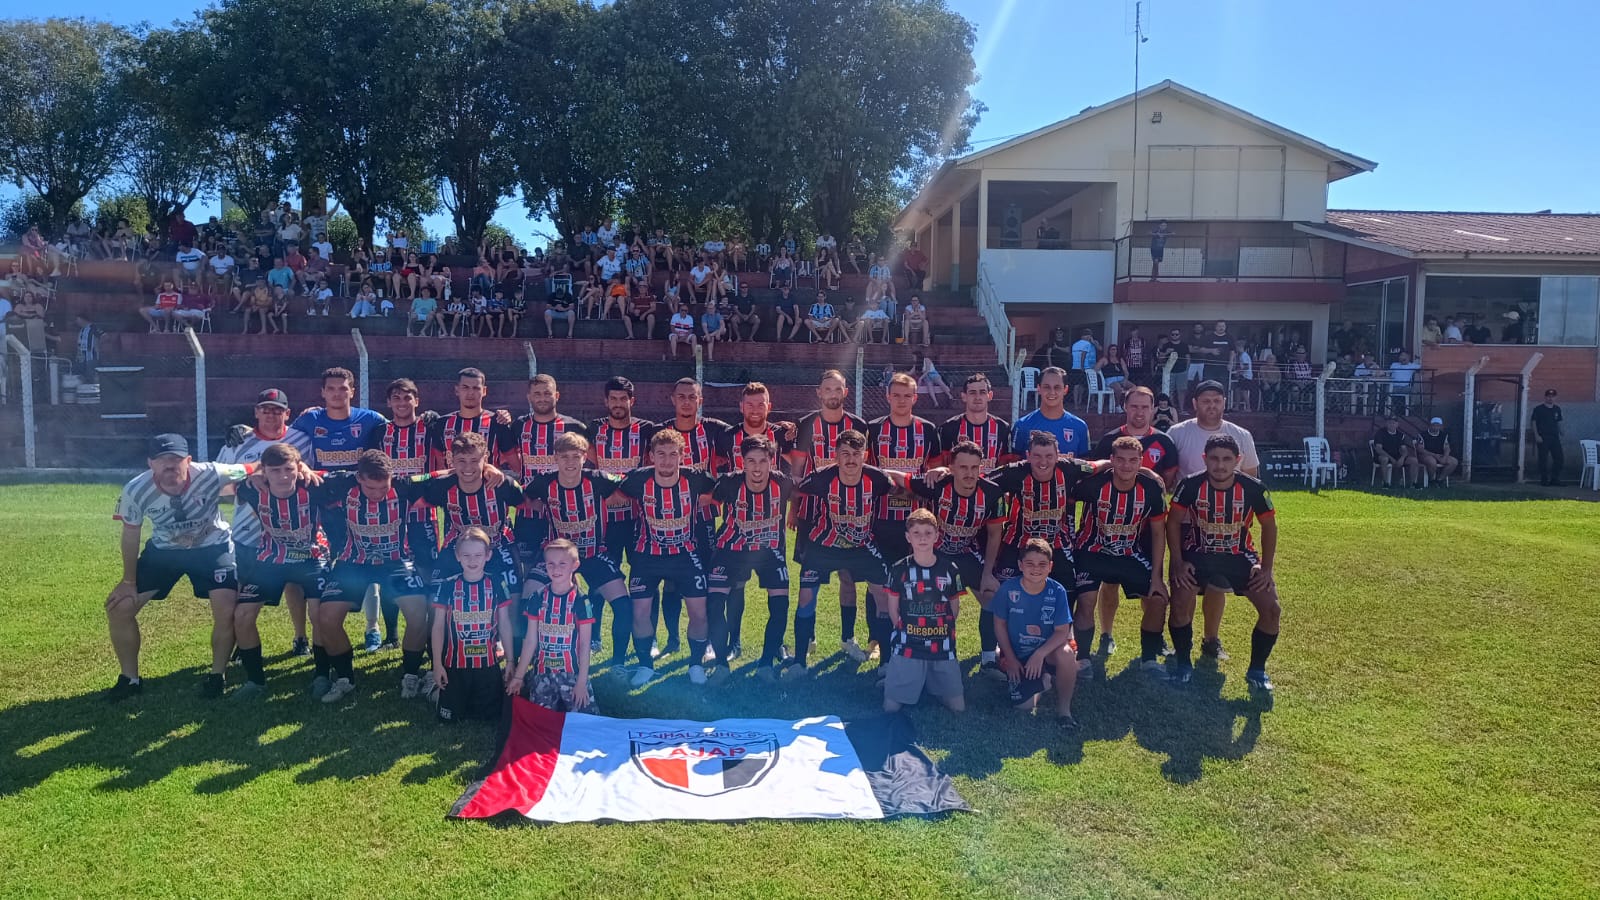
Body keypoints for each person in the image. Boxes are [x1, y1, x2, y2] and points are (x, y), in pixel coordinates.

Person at [105, 435, 294, 701]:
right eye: (163, 462)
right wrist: (128, 581)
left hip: (212, 547)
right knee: (120, 608)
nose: (170, 468)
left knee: (226, 609)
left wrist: (293, 469)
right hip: (165, 552)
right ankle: (130, 679)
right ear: (151, 464)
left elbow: (257, 465)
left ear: (189, 461)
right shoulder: (136, 489)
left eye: (176, 461)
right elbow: (130, 535)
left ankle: (217, 676)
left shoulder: (212, 473)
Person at [789, 430, 911, 677]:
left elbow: (900, 488)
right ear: (835, 455)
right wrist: (794, 510)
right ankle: (799, 662)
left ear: (865, 455)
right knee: (805, 598)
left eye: (856, 454)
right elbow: (795, 489)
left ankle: (886, 662)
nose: (851, 460)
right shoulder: (822, 477)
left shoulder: (876, 479)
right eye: (845, 454)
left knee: (883, 597)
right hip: (823, 545)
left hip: (862, 546)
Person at [1167, 434, 1281, 694]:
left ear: (1238, 460)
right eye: (1215, 459)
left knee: (1272, 609)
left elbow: (1269, 526)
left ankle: (1257, 670)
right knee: (1180, 601)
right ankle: (1184, 664)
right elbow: (1173, 521)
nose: (1220, 465)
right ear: (1205, 459)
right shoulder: (1191, 485)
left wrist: (1266, 569)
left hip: (1239, 555)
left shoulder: (1254, 488)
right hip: (1198, 553)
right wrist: (1177, 561)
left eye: (1227, 459)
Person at [983, 431, 1098, 676]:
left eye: (1048, 455)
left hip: (1057, 544)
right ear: (1028, 456)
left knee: (1068, 593)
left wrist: (1145, 472)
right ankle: (998, 654)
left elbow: (1102, 466)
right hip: (1017, 544)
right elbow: (980, 478)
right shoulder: (1014, 472)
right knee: (1002, 594)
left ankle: (1069, 647)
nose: (1043, 461)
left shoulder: (1070, 468)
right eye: (1036, 456)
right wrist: (942, 472)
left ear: (1059, 455)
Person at [614, 429, 719, 687]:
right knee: (640, 611)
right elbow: (615, 494)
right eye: (661, 454)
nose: (667, 461)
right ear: (651, 456)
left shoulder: (696, 478)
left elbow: (722, 492)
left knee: (699, 613)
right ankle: (645, 666)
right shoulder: (638, 479)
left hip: (685, 554)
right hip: (646, 555)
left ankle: (695, 664)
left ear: (682, 456)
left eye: (673, 454)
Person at [217, 389, 317, 656]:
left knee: (295, 586)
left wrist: (305, 469)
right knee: (245, 589)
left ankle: (300, 637)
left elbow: (309, 474)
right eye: (266, 409)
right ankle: (241, 642)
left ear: (287, 414)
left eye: (277, 410)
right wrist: (248, 481)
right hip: (249, 530)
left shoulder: (302, 439)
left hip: (292, 531)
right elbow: (220, 486)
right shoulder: (237, 441)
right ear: (256, 411)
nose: (271, 414)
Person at [231, 443, 335, 698]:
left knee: (319, 613)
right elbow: (222, 483)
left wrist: (308, 469)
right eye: (275, 470)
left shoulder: (314, 485)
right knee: (242, 615)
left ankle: (322, 674)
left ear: (298, 468)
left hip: (312, 557)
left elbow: (356, 476)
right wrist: (251, 473)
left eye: (289, 469)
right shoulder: (252, 488)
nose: (283, 476)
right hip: (272, 559)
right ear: (264, 471)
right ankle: (255, 681)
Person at [1165, 380, 1258, 660]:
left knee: (1218, 584)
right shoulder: (1178, 433)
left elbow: (1252, 479)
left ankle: (1211, 639)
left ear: (1224, 402)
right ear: (1194, 403)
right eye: (1205, 400)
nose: (1211, 405)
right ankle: (1183, 642)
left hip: (1225, 525)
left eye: (1217, 400)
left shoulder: (1240, 434)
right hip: (1186, 524)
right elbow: (1170, 479)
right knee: (1184, 584)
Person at [1069, 436, 1168, 678]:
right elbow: (1068, 496)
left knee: (1158, 597)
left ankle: (1149, 659)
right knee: (1086, 599)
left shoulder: (1152, 488)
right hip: (1091, 550)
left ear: (1141, 462)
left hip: (1129, 553)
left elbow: (1158, 533)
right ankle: (1082, 658)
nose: (1126, 466)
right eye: (1120, 460)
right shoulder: (1094, 484)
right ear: (1111, 460)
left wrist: (1157, 577)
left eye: (1133, 461)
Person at [864, 373, 943, 658]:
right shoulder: (872, 430)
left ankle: (911, 632)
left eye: (906, 395)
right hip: (881, 517)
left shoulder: (928, 430)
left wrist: (920, 486)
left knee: (914, 579)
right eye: (895, 395)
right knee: (879, 579)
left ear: (915, 398)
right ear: (887, 397)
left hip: (916, 521)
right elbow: (867, 473)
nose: (901, 400)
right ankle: (876, 637)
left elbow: (934, 473)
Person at [706, 435, 795, 680]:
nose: (757, 467)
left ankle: (766, 664)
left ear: (772, 461)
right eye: (750, 461)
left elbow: (802, 494)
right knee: (714, 603)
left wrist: (795, 516)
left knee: (780, 605)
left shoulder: (783, 484)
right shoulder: (729, 483)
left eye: (762, 461)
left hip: (769, 551)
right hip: (731, 550)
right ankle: (722, 664)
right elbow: (709, 501)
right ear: (742, 463)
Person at [909, 440, 1004, 668]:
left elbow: (994, 535)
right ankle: (934, 654)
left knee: (992, 596)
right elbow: (897, 477)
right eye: (963, 467)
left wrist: (988, 573)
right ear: (951, 467)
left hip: (967, 552)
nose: (969, 473)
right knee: (940, 604)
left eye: (974, 467)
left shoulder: (992, 492)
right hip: (936, 555)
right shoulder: (937, 485)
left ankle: (989, 657)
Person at [881, 510, 966, 713]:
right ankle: (908, 679)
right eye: (916, 533)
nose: (922, 538)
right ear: (908, 537)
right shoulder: (899, 569)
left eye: (928, 533)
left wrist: (941, 630)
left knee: (958, 707)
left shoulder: (950, 569)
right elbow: (893, 610)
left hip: (942, 645)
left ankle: (927, 681)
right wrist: (907, 631)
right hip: (909, 644)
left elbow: (954, 608)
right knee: (890, 707)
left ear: (937, 536)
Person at [431, 526, 517, 723]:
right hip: (455, 664)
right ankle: (436, 692)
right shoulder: (447, 585)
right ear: (457, 556)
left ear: (488, 556)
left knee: (489, 718)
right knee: (450, 719)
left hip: (487, 664)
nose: (472, 560)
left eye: (478, 555)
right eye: (466, 555)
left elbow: (504, 622)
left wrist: (511, 660)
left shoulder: (497, 583)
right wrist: (437, 664)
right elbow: (437, 627)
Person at [993, 539, 1079, 726]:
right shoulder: (1008, 589)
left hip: (1047, 653)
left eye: (1042, 564)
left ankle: (1064, 710)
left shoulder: (1057, 591)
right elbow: (999, 625)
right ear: (1020, 565)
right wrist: (1011, 659)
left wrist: (1040, 654)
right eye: (1030, 563)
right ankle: (1044, 681)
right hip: (1018, 655)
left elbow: (1062, 631)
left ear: (1050, 567)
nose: (1036, 569)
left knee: (1066, 654)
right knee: (1022, 706)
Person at [511, 539, 598, 713]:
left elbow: (584, 645)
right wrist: (519, 676)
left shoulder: (581, 601)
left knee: (587, 722)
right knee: (540, 721)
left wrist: (581, 683)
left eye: (562, 564)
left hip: (572, 674)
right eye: (551, 564)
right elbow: (530, 641)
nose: (556, 569)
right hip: (544, 673)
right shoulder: (537, 597)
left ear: (575, 565)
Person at [291, 368, 389, 472]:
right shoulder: (309, 419)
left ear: (352, 392)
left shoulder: (371, 418)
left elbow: (400, 427)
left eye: (343, 389)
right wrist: (301, 464)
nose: (337, 394)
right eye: (331, 389)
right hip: (322, 484)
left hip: (360, 484)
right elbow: (284, 439)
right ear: (323, 392)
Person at [936, 374, 1015, 475]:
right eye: (972, 393)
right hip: (959, 488)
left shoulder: (1002, 428)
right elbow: (943, 466)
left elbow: (1004, 466)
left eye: (982, 392)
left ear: (990, 396)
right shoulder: (948, 428)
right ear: (964, 396)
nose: (977, 397)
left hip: (990, 487)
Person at [1012, 367, 1090, 459]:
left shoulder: (1080, 426)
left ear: (1065, 389)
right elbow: (1013, 466)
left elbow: (1086, 468)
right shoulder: (1022, 425)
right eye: (1046, 387)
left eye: (1057, 387)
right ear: (1039, 388)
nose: (1052, 392)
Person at [1370, 414, 1419, 488]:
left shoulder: (1400, 435)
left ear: (1397, 424)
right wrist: (1391, 458)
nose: (1391, 424)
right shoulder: (1380, 433)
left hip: (1396, 456)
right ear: (1386, 423)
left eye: (1393, 423)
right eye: (1390, 422)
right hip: (1383, 455)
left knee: (1414, 460)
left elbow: (1404, 450)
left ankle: (1413, 484)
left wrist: (1402, 458)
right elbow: (1379, 449)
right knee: (1384, 459)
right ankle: (1385, 483)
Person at [1531, 389, 1564, 486]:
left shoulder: (1557, 409)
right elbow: (1533, 422)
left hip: (1554, 437)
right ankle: (1544, 479)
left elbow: (1558, 421)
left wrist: (1561, 431)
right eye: (1549, 396)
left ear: (1555, 397)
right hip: (1543, 437)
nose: (1551, 398)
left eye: (1553, 396)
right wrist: (1537, 435)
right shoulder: (1538, 409)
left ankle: (1555, 479)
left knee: (1559, 458)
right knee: (1543, 459)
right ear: (1545, 397)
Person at [1417, 416, 1458, 485]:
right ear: (1430, 425)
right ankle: (1431, 480)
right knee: (1432, 462)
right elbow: (1420, 449)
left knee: (1454, 462)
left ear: (1441, 426)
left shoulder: (1444, 435)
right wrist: (1435, 455)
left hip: (1440, 455)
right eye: (1434, 425)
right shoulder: (1422, 435)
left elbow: (1447, 448)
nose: (1435, 427)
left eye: (1438, 425)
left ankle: (1439, 480)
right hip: (1426, 455)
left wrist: (1445, 457)